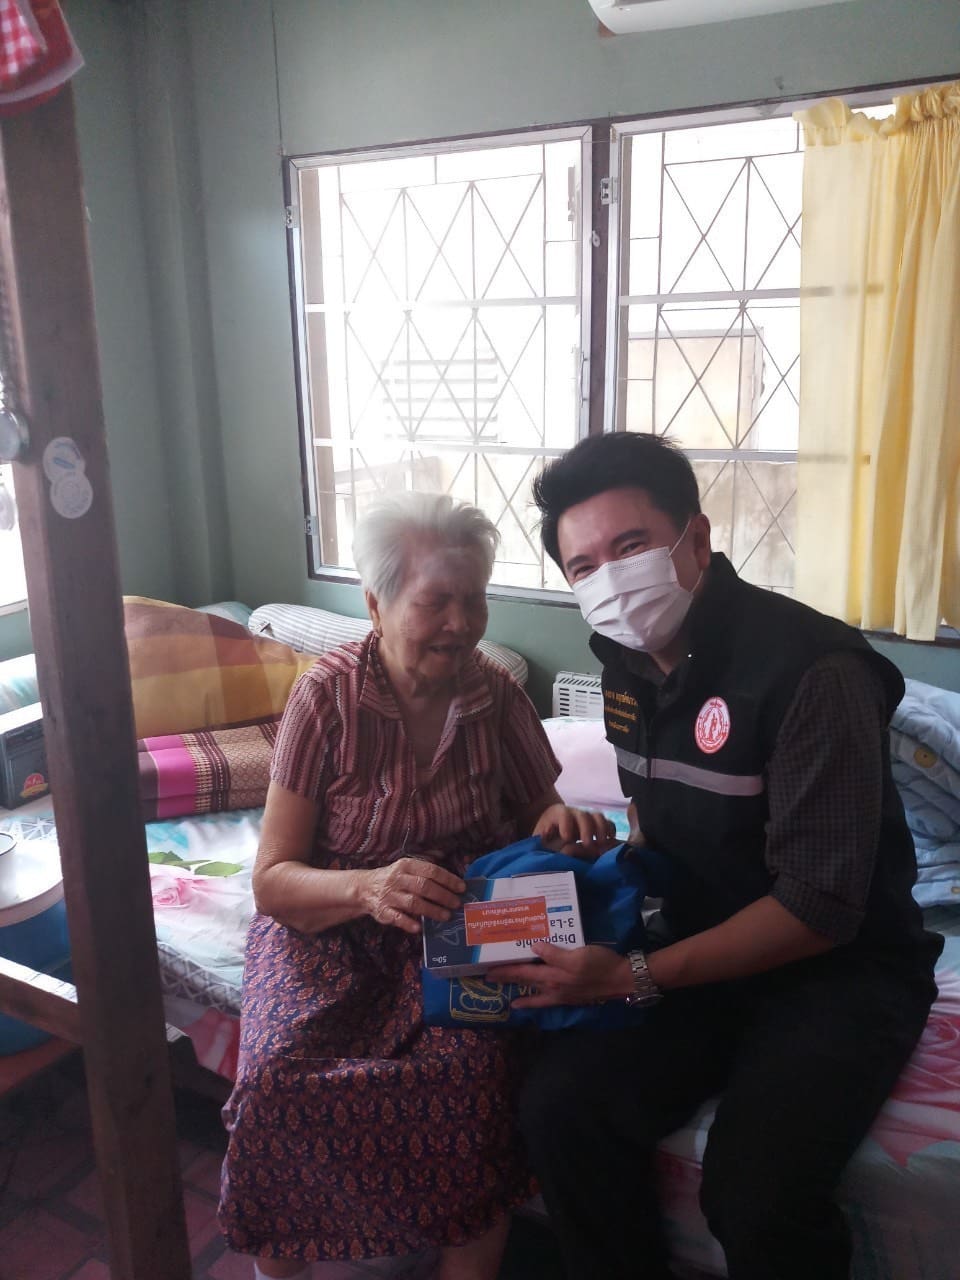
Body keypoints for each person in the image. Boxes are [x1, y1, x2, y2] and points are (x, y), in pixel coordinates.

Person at [490, 432, 943, 1280]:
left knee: (756, 1189)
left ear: (695, 539)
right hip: (700, 942)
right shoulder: (623, 668)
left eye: (630, 546)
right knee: (561, 1107)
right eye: (583, 566)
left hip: (838, 970)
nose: (610, 580)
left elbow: (819, 908)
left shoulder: (813, 672)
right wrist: (612, 863)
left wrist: (628, 976)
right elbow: (652, 807)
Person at [218, 492, 613, 1280]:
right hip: (330, 925)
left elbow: (540, 810)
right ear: (376, 603)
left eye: (475, 600)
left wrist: (562, 822)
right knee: (275, 1083)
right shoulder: (325, 697)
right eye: (436, 602)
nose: (462, 625)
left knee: (473, 1086)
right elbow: (272, 881)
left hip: (460, 925)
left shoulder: (494, 695)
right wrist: (369, 888)